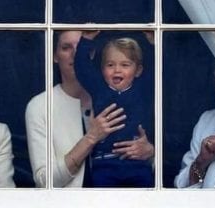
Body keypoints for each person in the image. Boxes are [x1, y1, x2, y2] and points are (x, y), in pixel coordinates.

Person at [26, 30, 154, 188]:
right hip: (71, 207)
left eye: (80, 46)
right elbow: (43, 182)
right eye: (66, 47)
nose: (74, 54)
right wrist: (91, 137)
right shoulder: (40, 106)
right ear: (54, 55)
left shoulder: (129, 93)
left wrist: (150, 152)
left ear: (92, 54)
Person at [73, 31, 153, 187]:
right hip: (105, 164)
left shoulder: (143, 88)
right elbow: (81, 67)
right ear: (102, 70)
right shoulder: (99, 88)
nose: (117, 70)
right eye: (110, 65)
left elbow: (160, 68)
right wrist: (86, 40)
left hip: (136, 163)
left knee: (145, 204)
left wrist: (153, 42)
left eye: (125, 65)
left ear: (138, 70)